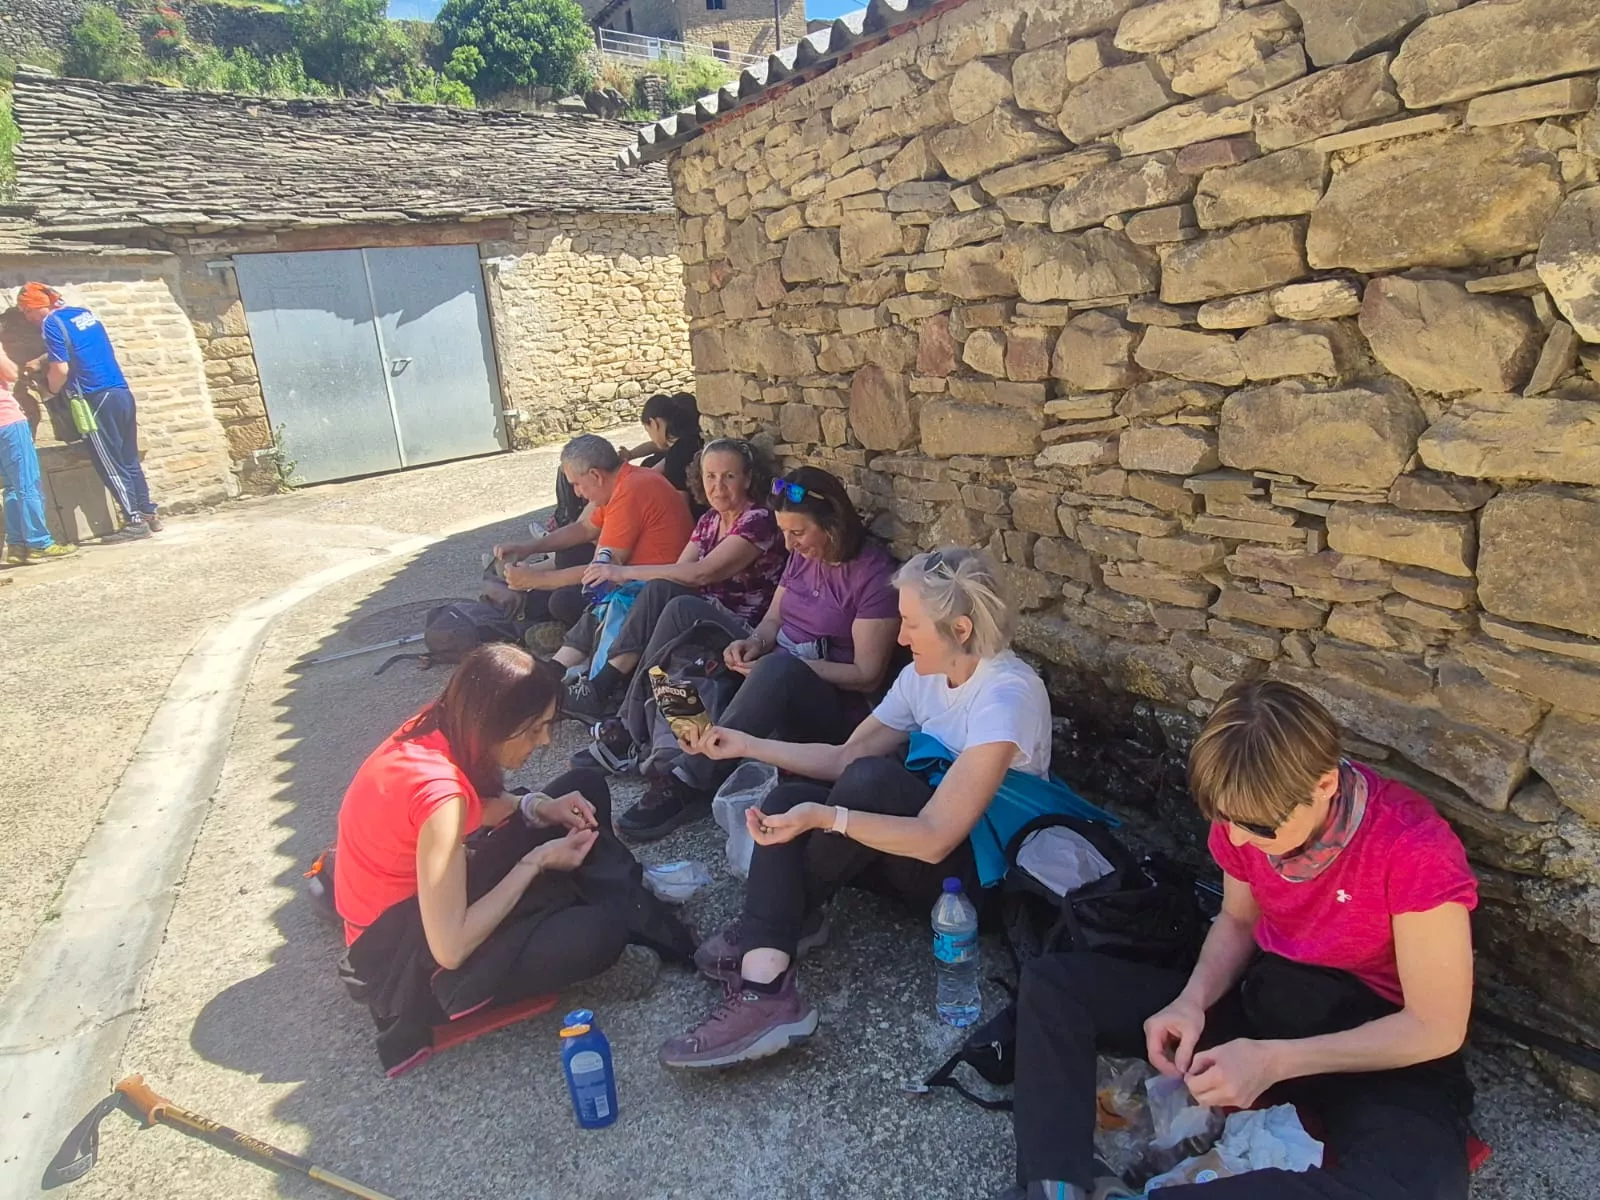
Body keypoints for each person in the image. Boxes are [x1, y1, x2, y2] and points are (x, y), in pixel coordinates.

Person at [1003, 679, 1478, 1200]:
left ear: (1324, 785)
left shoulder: (1412, 850)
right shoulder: (1243, 817)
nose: (1235, 840)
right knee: (1055, 986)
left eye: (1255, 826)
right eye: (1224, 820)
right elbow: (1236, 920)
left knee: (1420, 1187)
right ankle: (1055, 1187)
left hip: (1374, 1047)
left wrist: (1275, 1061)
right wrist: (1192, 1002)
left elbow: (1436, 1027)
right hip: (1270, 1004)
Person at [657, 547, 1060, 1069]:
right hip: (912, 858)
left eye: (911, 624)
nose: (900, 637)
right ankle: (767, 978)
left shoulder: (1008, 695)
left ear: (960, 629)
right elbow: (846, 753)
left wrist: (826, 818)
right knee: (786, 798)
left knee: (870, 784)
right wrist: (745, 744)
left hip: (971, 886)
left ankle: (775, 925)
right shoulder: (926, 674)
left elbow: (937, 834)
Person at [334, 644, 653, 1074]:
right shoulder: (439, 797)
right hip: (401, 953)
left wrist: (538, 806)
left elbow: (478, 803)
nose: (545, 741)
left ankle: (593, 895)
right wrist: (534, 862)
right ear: (496, 724)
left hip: (427, 900)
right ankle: (607, 907)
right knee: (599, 933)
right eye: (536, 728)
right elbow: (449, 948)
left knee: (582, 787)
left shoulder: (445, 722)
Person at [614, 465, 901, 842]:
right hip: (776, 661)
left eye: (797, 533)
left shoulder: (872, 574)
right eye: (784, 532)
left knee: (780, 670)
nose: (789, 544)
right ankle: (626, 729)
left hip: (828, 700)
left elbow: (867, 674)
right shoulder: (803, 555)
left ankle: (688, 778)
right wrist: (754, 644)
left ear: (833, 524)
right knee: (679, 607)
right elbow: (773, 620)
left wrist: (784, 662)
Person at [561, 437, 785, 719]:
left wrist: (623, 572)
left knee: (664, 596)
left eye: (729, 476)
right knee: (651, 594)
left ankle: (612, 695)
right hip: (702, 616)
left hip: (741, 628)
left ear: (748, 479)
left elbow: (703, 572)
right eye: (710, 476)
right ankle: (612, 696)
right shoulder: (710, 521)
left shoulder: (758, 520)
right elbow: (678, 572)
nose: (718, 486)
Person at [493, 434, 693, 632]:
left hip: (654, 589)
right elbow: (585, 529)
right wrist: (528, 547)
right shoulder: (627, 479)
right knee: (568, 556)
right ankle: (534, 613)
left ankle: (548, 622)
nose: (577, 493)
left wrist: (536, 579)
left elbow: (603, 569)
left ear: (596, 475)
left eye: (576, 484)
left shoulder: (631, 491)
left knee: (562, 601)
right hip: (635, 573)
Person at [16, 282, 160, 541]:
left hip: (93, 398)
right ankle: (148, 512)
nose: (27, 319)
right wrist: (40, 360)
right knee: (128, 457)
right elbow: (77, 348)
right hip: (119, 392)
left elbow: (60, 369)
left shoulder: (50, 324)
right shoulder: (82, 314)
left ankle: (134, 521)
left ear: (38, 307)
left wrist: (49, 388)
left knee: (108, 462)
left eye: (26, 312)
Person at [0, 341, 76, 564]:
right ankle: (39, 543)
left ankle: (17, 546)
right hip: (7, 421)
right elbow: (10, 373)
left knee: (11, 485)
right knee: (27, 482)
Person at [620, 391, 702, 499]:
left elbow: (682, 501)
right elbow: (654, 446)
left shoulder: (678, 455)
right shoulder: (690, 439)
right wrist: (630, 454)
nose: (650, 436)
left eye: (647, 430)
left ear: (653, 423)